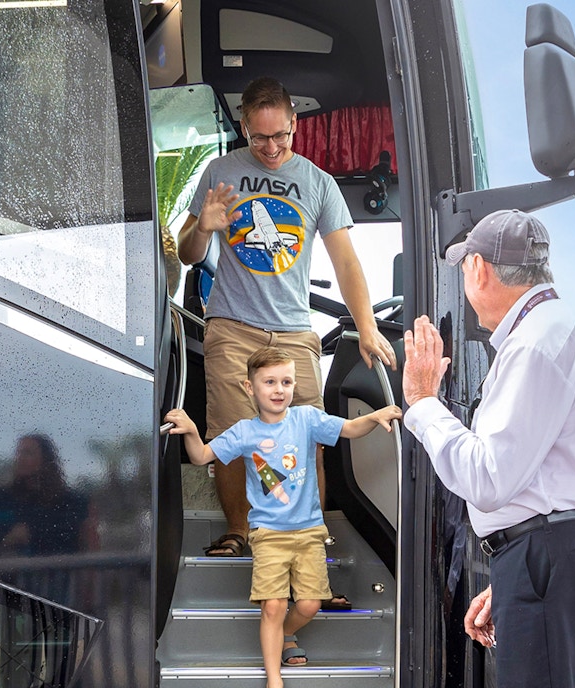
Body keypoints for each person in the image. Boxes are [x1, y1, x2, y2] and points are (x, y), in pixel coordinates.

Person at [400, 209, 575, 688]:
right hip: (562, 554)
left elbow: (488, 478)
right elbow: (552, 474)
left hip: (550, 557)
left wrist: (424, 403)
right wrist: (518, 574)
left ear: (478, 269)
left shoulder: (533, 343)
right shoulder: (573, 328)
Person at [176, 76, 397, 569]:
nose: (272, 147)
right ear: (244, 127)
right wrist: (204, 228)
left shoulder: (318, 182)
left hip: (295, 332)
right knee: (231, 435)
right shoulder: (220, 171)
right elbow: (189, 253)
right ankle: (239, 531)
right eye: (260, 137)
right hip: (233, 326)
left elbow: (346, 262)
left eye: (281, 135)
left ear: (295, 123)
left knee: (308, 438)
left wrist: (366, 326)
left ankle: (306, 539)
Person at [164, 346, 401, 688]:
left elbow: (349, 428)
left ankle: (287, 633)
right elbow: (201, 456)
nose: (279, 390)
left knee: (310, 605)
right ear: (250, 387)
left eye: (286, 382)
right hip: (268, 533)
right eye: (270, 382)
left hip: (309, 532)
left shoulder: (306, 419)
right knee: (273, 605)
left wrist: (374, 417)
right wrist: (190, 429)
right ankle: (273, 677)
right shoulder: (245, 431)